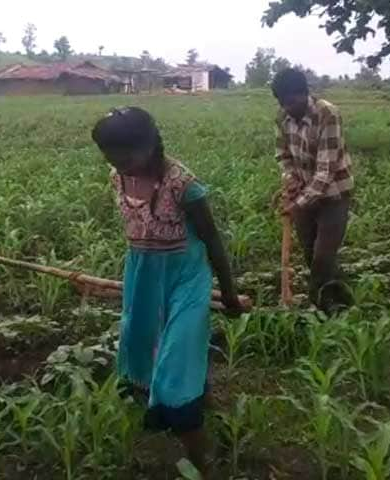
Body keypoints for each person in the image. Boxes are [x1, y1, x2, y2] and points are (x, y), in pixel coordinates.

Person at [92, 107, 246, 477]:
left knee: (175, 362)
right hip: (143, 274)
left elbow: (212, 241)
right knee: (145, 345)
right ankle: (200, 399)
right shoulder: (118, 176)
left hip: (185, 279)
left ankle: (200, 460)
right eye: (110, 157)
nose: (119, 164)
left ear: (150, 144)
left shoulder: (183, 184)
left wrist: (228, 294)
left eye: (126, 156)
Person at [272, 68, 354, 314]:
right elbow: (283, 155)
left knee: (323, 256)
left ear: (304, 93)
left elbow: (326, 171)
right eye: (283, 103)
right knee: (311, 254)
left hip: (333, 195)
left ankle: (319, 305)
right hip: (304, 193)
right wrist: (290, 178)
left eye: (292, 101)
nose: (288, 108)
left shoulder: (327, 113)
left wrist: (298, 204)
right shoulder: (282, 118)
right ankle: (338, 298)